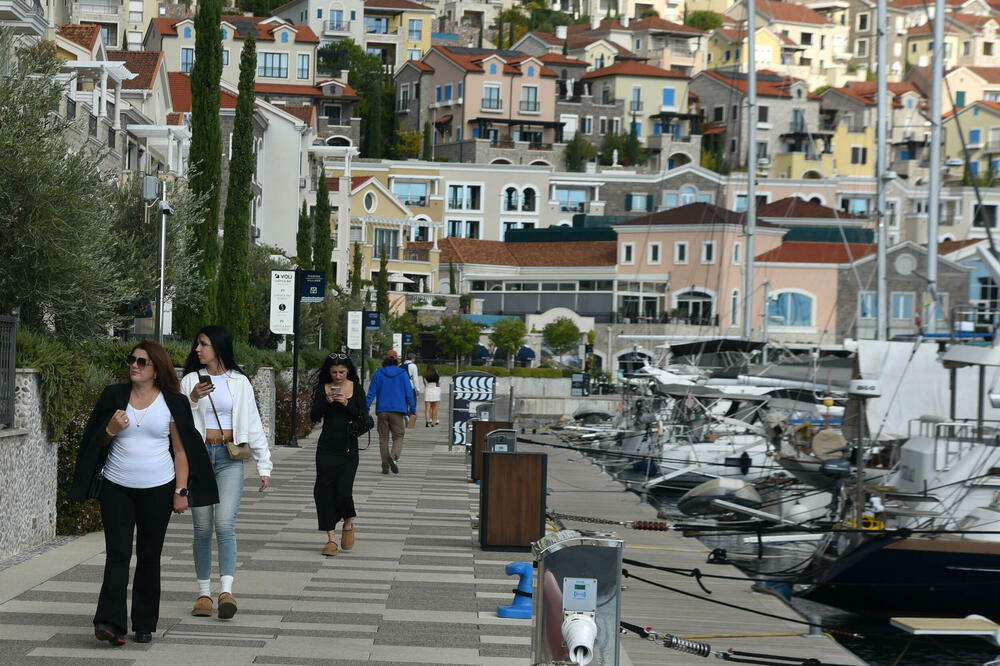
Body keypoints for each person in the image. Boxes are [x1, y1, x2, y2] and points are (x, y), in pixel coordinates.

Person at [69, 341, 218, 647]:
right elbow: (92, 442)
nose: (134, 366)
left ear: (156, 369)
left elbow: (181, 450)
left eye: (142, 362)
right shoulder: (114, 396)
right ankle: (109, 623)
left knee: (149, 556)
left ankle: (145, 622)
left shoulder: (172, 401)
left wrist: (181, 490)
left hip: (158, 489)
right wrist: (110, 429)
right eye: (132, 360)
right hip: (116, 487)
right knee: (118, 554)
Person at [180, 325, 273, 620]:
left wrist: (264, 464)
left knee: (224, 524)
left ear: (218, 347)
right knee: (202, 529)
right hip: (199, 457)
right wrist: (193, 398)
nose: (198, 349)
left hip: (229, 456)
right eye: (198, 344)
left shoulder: (240, 382)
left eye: (203, 344)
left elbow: (253, 422)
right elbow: (180, 419)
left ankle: (226, 591)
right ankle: (203, 594)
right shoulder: (190, 380)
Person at [310, 351, 365, 556]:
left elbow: (364, 416)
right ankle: (331, 539)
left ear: (348, 371)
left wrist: (346, 403)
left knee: (343, 490)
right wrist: (327, 401)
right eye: (334, 372)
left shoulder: (356, 388)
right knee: (323, 490)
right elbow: (313, 416)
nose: (338, 376)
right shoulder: (323, 389)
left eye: (342, 372)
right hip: (326, 447)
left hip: (348, 447)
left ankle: (348, 521)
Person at [366, 349, 415, 475]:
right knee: (398, 436)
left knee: (383, 439)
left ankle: (385, 466)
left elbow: (371, 393)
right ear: (397, 360)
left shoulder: (378, 373)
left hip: (382, 410)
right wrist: (413, 410)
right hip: (398, 411)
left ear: (385, 359)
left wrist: (366, 408)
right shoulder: (402, 373)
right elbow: (409, 393)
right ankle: (393, 457)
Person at [422, 363, 441, 427]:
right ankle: (432, 422)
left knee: (427, 408)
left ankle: (427, 421)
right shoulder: (436, 375)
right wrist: (439, 392)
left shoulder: (424, 374)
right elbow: (438, 384)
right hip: (435, 390)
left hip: (428, 390)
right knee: (434, 408)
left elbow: (424, 383)